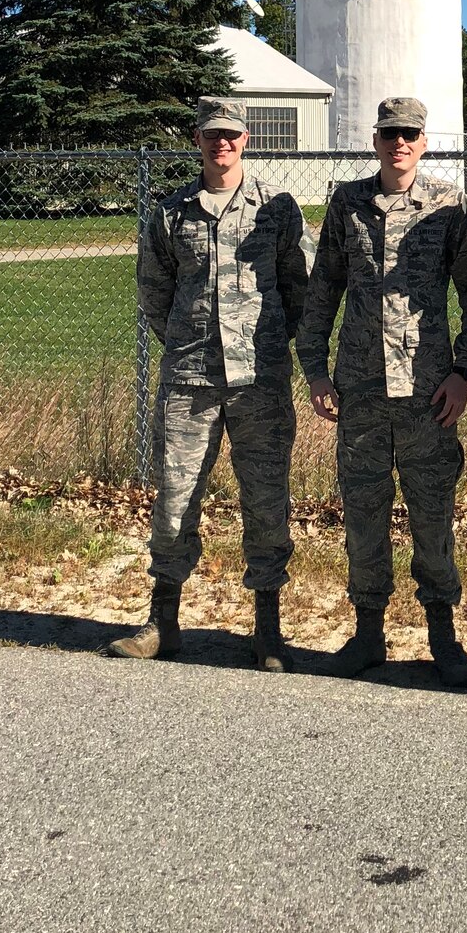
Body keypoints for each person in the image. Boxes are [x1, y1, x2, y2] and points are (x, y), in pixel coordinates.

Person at [297, 97, 467, 687]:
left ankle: (443, 635)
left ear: (424, 141)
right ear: (375, 140)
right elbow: (323, 290)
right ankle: (367, 632)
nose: (399, 143)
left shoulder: (448, 205)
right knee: (363, 511)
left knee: (432, 511)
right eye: (389, 133)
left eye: (409, 133)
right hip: (359, 388)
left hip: (427, 391)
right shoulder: (347, 203)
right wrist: (314, 369)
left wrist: (463, 371)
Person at [110, 96, 312, 669]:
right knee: (174, 501)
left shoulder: (276, 209)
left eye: (230, 135)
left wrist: (269, 339)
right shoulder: (171, 211)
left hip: (259, 381)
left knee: (266, 502)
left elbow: (299, 287)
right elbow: (154, 292)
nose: (221, 144)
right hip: (190, 379)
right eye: (210, 135)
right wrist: (185, 340)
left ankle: (268, 628)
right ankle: (162, 621)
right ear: (196, 140)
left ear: (245, 140)